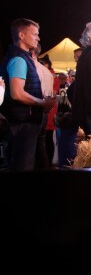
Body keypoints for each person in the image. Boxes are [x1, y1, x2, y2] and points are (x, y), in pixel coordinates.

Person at [0, 18, 55, 171]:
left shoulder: (23, 58)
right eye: (35, 34)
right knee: (22, 169)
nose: (38, 38)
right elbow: (17, 93)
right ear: (22, 35)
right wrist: (41, 103)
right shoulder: (18, 59)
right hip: (22, 124)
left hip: (26, 121)